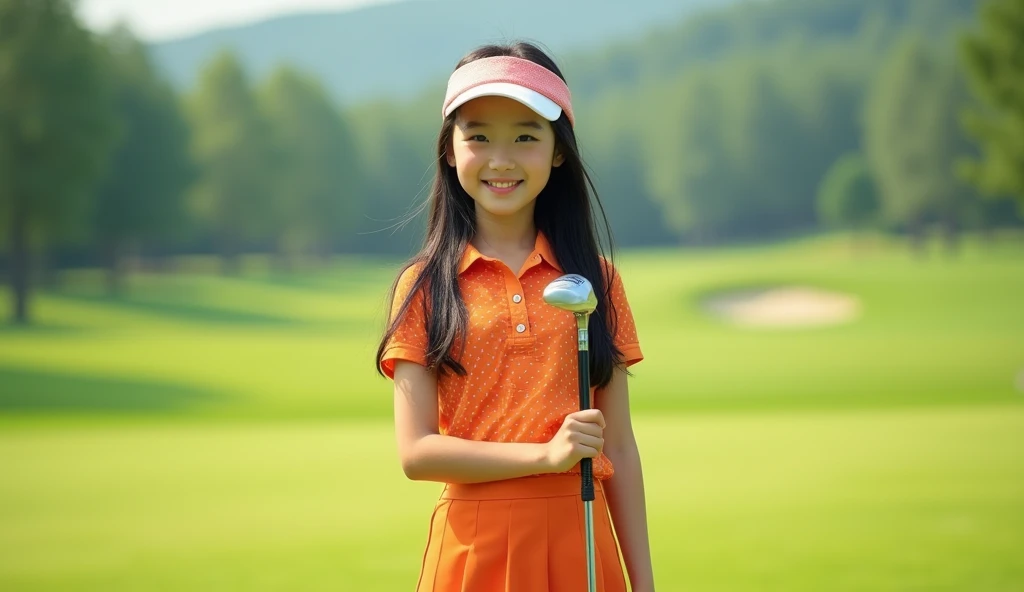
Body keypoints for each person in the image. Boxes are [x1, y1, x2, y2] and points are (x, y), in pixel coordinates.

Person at [375, 41, 655, 592]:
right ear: (450, 150)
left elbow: (618, 445)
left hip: (582, 540)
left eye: (526, 136)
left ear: (557, 151)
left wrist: (643, 583)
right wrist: (546, 456)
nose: (500, 159)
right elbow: (416, 452)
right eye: (478, 135)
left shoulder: (595, 281)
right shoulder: (425, 286)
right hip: (472, 549)